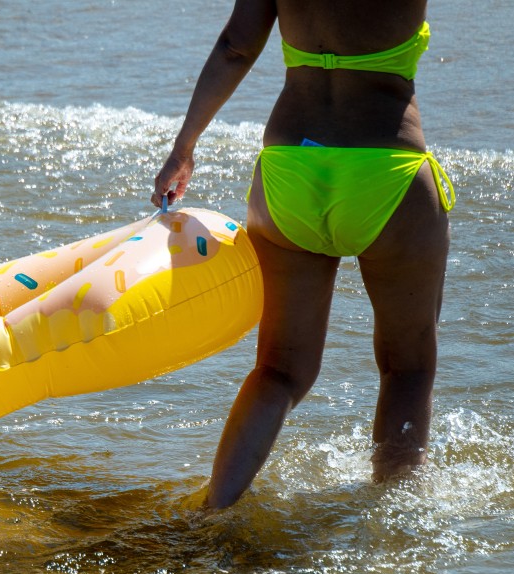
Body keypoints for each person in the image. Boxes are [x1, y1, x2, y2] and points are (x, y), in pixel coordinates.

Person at [152, 0, 454, 510]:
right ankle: (397, 523)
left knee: (279, 369)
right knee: (407, 368)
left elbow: (235, 47)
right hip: (387, 171)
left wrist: (184, 148)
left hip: (289, 172)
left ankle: (214, 511)